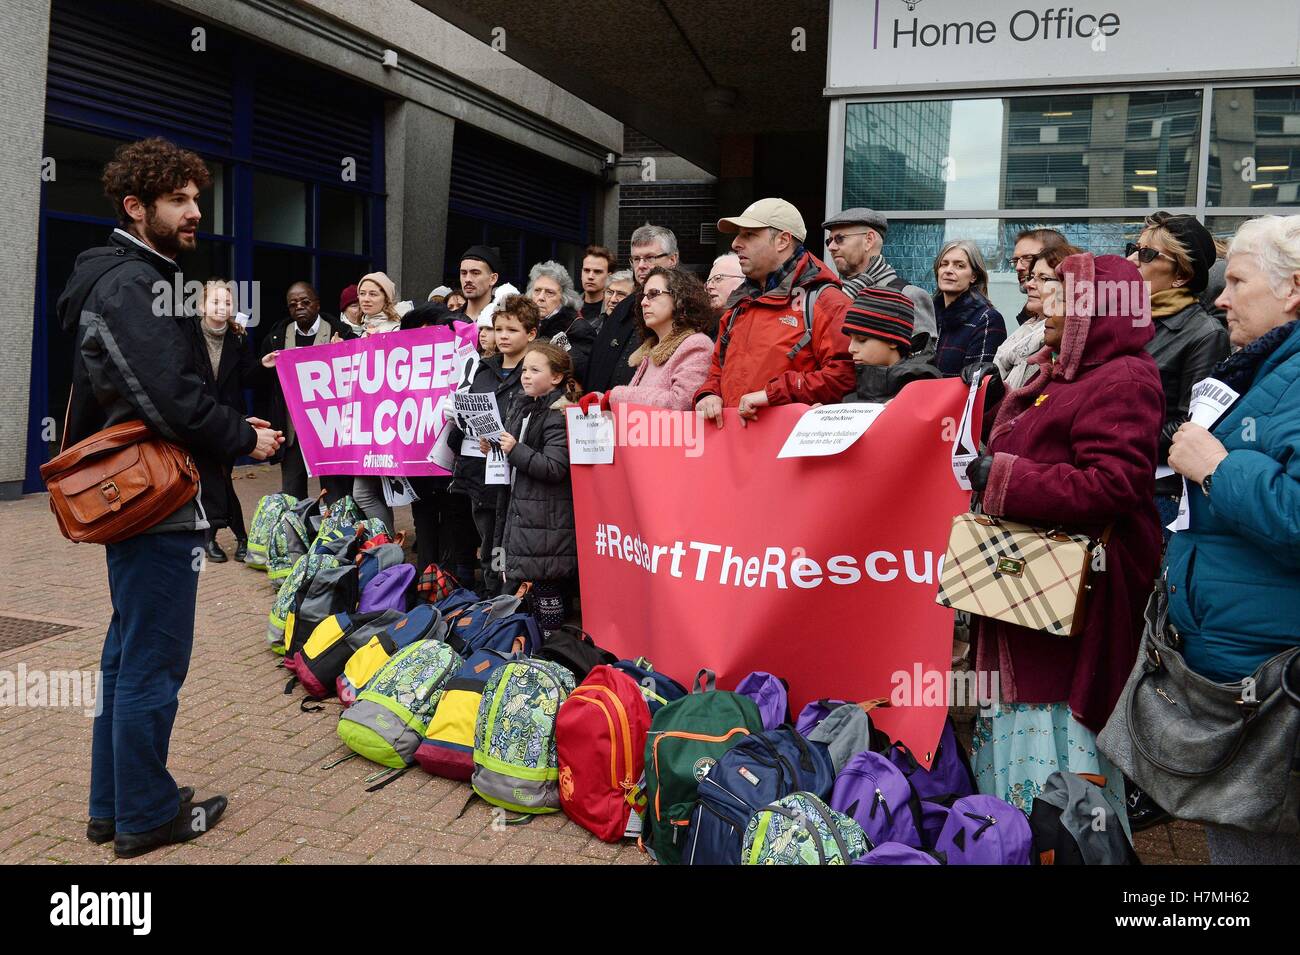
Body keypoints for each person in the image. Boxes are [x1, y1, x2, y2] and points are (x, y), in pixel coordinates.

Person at [57, 137, 281, 857]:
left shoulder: (140, 275)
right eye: (179, 200)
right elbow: (174, 401)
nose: (195, 212)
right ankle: (146, 816)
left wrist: (223, 422)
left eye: (196, 198)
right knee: (151, 662)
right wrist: (243, 440)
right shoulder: (132, 283)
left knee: (127, 657)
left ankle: (112, 805)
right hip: (158, 502)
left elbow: (158, 394)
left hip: (143, 496)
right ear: (136, 206)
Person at [963, 252, 1164, 827]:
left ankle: (1066, 841)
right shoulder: (1051, 370)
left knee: (1055, 734)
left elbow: (1114, 484)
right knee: (1018, 718)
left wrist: (1001, 475)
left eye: (1062, 297)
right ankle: (1018, 840)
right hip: (1024, 587)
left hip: (1071, 598)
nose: (1044, 307)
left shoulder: (1124, 376)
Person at [1164, 214, 1300, 865]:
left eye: (1237, 280)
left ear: (1294, 288)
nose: (1220, 297)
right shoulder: (1262, 368)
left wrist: (1217, 466)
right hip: (1238, 678)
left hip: (1274, 690)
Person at [694, 198, 854, 426]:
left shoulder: (827, 301)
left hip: (790, 453)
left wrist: (774, 393)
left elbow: (845, 374)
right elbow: (716, 371)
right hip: (735, 449)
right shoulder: (739, 304)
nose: (736, 243)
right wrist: (708, 394)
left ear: (783, 240)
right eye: (739, 234)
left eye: (748, 235)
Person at [1129, 212, 1230, 536]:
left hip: (1157, 496)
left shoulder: (1206, 334)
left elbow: (1191, 426)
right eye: (1133, 247)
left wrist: (1116, 435)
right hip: (1113, 476)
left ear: (1181, 277)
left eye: (1146, 254)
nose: (1132, 260)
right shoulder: (1128, 320)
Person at [486, 341, 583, 631]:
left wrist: (514, 449)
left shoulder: (559, 414)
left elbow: (555, 467)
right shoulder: (526, 407)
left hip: (546, 521)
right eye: (524, 369)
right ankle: (535, 641)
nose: (526, 375)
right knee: (530, 585)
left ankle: (553, 648)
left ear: (556, 377)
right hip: (526, 514)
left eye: (534, 370)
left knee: (547, 587)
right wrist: (494, 448)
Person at [447, 294, 537, 594]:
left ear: (531, 333)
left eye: (512, 330)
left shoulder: (536, 371)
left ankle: (509, 605)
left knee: (510, 549)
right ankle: (489, 603)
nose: (503, 337)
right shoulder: (484, 370)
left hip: (519, 479)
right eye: (499, 330)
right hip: (481, 474)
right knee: (487, 546)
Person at [576, 267, 713, 412]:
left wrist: (614, 396)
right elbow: (637, 402)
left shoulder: (696, 344)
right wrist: (601, 400)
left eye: (653, 294)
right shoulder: (650, 350)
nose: (643, 302)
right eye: (644, 296)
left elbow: (680, 403)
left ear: (679, 297)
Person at [259, 281, 346, 501]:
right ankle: (297, 534)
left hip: (329, 428)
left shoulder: (339, 332)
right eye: (293, 304)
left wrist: (342, 351)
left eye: (305, 302)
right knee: (292, 492)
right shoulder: (277, 337)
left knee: (335, 491)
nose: (299, 306)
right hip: (293, 429)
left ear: (317, 305)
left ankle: (337, 534)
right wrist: (264, 365)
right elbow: (259, 380)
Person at [195, 279, 257, 563]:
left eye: (227, 303)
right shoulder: (189, 335)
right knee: (213, 476)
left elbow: (247, 377)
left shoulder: (239, 338)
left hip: (230, 419)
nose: (221, 308)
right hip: (199, 416)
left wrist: (264, 365)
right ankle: (239, 537)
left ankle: (213, 536)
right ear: (202, 306)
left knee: (218, 475)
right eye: (215, 302)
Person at [822, 207, 938, 352]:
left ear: (869, 240)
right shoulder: (831, 294)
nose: (831, 247)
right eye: (829, 241)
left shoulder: (908, 296)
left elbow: (921, 364)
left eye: (840, 238)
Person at [582, 225, 679, 393]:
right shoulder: (624, 307)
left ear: (672, 259)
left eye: (649, 258)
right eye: (636, 259)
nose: (641, 265)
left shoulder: (687, 307)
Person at [350, 271, 403, 531]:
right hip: (365, 420)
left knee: (363, 492)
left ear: (386, 298)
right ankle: (386, 545)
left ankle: (386, 541)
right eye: (362, 293)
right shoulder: (361, 329)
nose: (366, 299)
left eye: (373, 293)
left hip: (385, 421)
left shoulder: (397, 329)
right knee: (376, 491)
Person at [994, 240, 1080, 390]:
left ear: (1068, 286)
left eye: (1044, 278)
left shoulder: (1059, 343)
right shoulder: (1027, 329)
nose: (1029, 284)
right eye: (1032, 276)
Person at [839, 286, 940, 404]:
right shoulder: (851, 392)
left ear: (892, 341)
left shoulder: (925, 391)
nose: (851, 349)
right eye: (850, 339)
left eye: (862, 340)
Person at [932, 240, 1008, 377]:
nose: (949, 270)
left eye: (959, 266)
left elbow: (975, 384)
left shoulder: (987, 319)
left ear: (973, 276)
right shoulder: (928, 316)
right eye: (944, 264)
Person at [1008, 228, 1068, 326]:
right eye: (1015, 260)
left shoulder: (1067, 325)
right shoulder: (1031, 314)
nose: (1018, 267)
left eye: (1028, 258)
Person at [526, 260, 581, 340]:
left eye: (549, 292)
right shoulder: (523, 324)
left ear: (564, 297)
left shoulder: (577, 329)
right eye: (537, 290)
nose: (541, 297)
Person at [459, 245, 501, 325]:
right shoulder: (449, 321)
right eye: (463, 273)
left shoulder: (503, 321)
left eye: (475, 273)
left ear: (493, 279)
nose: (467, 279)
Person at [704, 253, 745, 337]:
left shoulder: (756, 322)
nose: (709, 286)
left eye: (718, 278)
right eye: (708, 282)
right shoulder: (704, 328)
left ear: (743, 280)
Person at [579, 245, 616, 321]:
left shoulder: (614, 310)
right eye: (586, 270)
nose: (590, 276)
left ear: (609, 276)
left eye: (597, 272)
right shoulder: (569, 307)